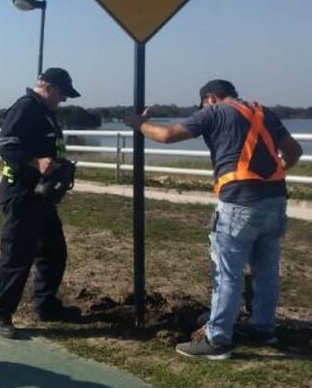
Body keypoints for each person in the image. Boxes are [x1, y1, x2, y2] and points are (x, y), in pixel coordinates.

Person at [124, 79, 303, 360]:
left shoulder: (216, 111)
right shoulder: (263, 111)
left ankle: (217, 339)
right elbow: (294, 152)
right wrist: (272, 174)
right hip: (276, 200)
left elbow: (168, 135)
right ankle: (263, 329)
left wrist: (137, 123)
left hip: (238, 202)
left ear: (210, 98)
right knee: (266, 271)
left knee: (227, 271)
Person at [0, 68, 83, 339]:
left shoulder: (44, 112)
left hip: (41, 196)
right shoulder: (26, 108)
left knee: (54, 252)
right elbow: (6, 145)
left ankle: (47, 306)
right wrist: (36, 162)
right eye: (63, 94)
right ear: (49, 87)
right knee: (17, 255)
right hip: (21, 194)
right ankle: (0, 313)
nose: (63, 100)